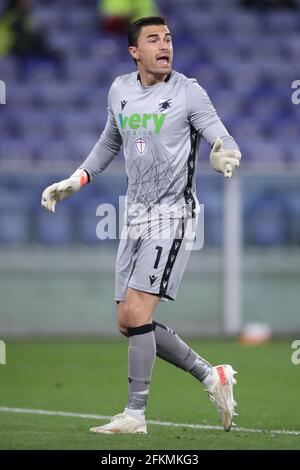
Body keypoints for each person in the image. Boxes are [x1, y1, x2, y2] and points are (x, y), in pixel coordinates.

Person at [41, 16, 241, 435]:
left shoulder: (188, 91)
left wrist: (224, 154)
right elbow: (110, 140)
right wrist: (76, 179)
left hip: (173, 217)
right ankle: (211, 375)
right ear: (135, 51)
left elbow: (220, 135)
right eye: (154, 39)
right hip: (133, 216)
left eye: (168, 38)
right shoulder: (120, 90)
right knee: (128, 323)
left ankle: (135, 415)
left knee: (136, 313)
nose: (164, 44)